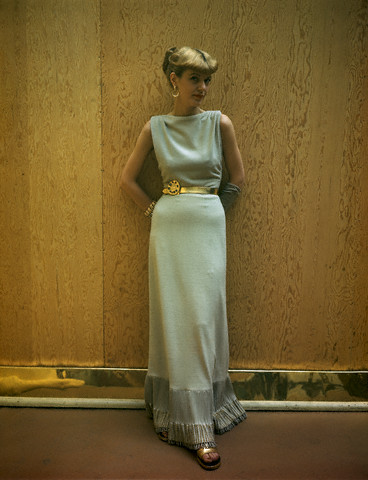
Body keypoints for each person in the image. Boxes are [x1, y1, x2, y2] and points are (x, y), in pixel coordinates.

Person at [120, 46, 246, 471]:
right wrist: (156, 210)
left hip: (208, 227)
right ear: (173, 79)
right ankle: (180, 418)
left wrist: (210, 211)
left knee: (202, 317)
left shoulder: (220, 123)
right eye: (195, 79)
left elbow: (238, 179)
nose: (203, 88)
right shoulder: (154, 128)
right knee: (172, 316)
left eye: (207, 79)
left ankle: (204, 411)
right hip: (168, 230)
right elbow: (127, 180)